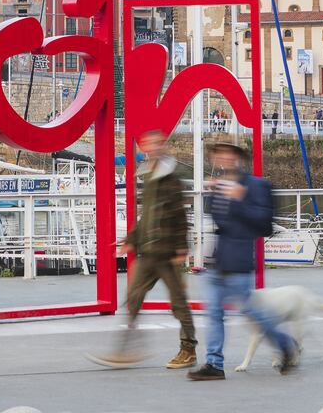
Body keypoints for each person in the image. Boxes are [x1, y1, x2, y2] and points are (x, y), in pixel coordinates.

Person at [188, 138, 297, 381]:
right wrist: (213, 193)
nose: (224, 158)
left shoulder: (256, 186)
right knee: (214, 312)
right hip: (218, 261)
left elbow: (264, 225)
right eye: (219, 154)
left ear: (238, 158)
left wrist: (239, 200)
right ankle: (214, 364)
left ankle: (286, 344)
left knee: (253, 313)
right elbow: (218, 219)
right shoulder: (218, 186)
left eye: (228, 154)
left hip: (239, 262)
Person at [88, 129, 197, 369]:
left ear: (163, 145)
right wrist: (131, 240)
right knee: (133, 298)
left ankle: (188, 349)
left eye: (155, 143)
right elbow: (145, 215)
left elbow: (179, 214)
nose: (151, 148)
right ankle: (127, 349)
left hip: (168, 253)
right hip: (148, 252)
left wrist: (181, 249)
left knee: (178, 303)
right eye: (147, 144)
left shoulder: (171, 178)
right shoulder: (149, 175)